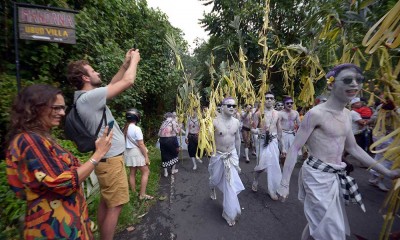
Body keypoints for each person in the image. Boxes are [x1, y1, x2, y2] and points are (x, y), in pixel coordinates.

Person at [277, 63, 400, 240]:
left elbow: (354, 148)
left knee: (323, 224)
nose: (355, 85)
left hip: (335, 176)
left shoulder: (347, 115)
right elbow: (295, 148)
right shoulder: (315, 114)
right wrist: (284, 183)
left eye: (359, 80)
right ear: (330, 84)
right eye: (348, 80)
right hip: (316, 177)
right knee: (332, 231)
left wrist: (387, 172)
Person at [6, 84, 113, 240]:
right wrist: (98, 154)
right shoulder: (29, 141)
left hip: (69, 224)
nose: (62, 113)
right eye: (56, 108)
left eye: (63, 108)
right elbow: (63, 182)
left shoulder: (43, 139)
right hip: (55, 229)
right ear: (35, 107)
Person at [66, 48, 140, 240]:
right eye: (93, 71)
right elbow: (127, 81)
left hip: (107, 160)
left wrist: (125, 64)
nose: (97, 72)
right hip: (111, 161)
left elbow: (113, 84)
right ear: (85, 78)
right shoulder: (88, 99)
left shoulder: (86, 99)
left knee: (106, 203)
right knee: (115, 206)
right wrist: (135, 62)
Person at [209, 97, 244, 226]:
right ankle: (212, 186)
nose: (231, 108)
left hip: (232, 155)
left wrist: (238, 156)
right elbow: (208, 140)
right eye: (228, 105)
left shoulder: (236, 122)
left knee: (230, 183)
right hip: (218, 155)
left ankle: (229, 213)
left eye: (234, 106)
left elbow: (238, 139)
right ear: (222, 107)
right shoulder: (214, 122)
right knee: (215, 178)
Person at [251, 92, 283, 200]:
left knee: (274, 166)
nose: (269, 100)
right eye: (267, 98)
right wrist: (257, 131)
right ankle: (255, 180)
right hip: (261, 141)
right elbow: (253, 128)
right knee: (260, 166)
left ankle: (272, 190)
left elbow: (279, 129)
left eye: (271, 98)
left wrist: (282, 146)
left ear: (274, 101)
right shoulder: (258, 113)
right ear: (264, 100)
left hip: (273, 141)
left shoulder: (278, 114)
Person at [123, 108, 153, 200]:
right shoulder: (136, 129)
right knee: (146, 171)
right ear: (137, 117)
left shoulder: (124, 128)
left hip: (128, 152)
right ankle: (142, 194)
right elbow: (141, 144)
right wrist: (146, 157)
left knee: (132, 173)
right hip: (136, 152)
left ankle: (133, 192)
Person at [159, 112, 181, 177]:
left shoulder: (163, 122)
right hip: (171, 140)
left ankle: (165, 173)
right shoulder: (173, 122)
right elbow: (177, 131)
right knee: (174, 154)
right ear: (171, 116)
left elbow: (158, 133)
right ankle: (173, 170)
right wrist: (179, 127)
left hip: (162, 140)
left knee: (164, 155)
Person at [279, 96, 300, 163]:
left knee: (292, 156)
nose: (290, 104)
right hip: (283, 134)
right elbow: (278, 127)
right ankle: (283, 170)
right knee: (283, 155)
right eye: (287, 103)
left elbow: (299, 124)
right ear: (284, 104)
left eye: (291, 103)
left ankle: (288, 171)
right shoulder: (280, 113)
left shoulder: (296, 113)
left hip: (292, 135)